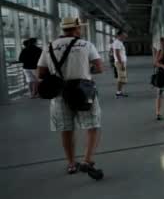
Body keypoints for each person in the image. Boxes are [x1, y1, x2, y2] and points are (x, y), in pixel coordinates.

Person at [37, 17, 104, 179]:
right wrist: (85, 72)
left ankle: (72, 164)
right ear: (76, 29)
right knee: (93, 126)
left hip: (60, 93)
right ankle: (87, 161)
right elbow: (100, 68)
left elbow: (40, 73)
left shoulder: (49, 47)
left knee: (66, 130)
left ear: (63, 30)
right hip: (83, 91)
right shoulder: (86, 45)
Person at [153, 37, 164, 121]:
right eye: (162, 43)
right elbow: (155, 63)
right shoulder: (160, 51)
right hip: (161, 74)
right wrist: (163, 66)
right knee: (159, 94)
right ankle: (158, 113)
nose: (163, 44)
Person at [111, 31, 128, 98]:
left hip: (121, 62)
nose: (124, 37)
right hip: (120, 62)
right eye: (123, 36)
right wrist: (121, 64)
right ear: (119, 35)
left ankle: (120, 92)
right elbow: (117, 53)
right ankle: (118, 93)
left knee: (122, 78)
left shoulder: (119, 42)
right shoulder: (117, 42)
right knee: (121, 79)